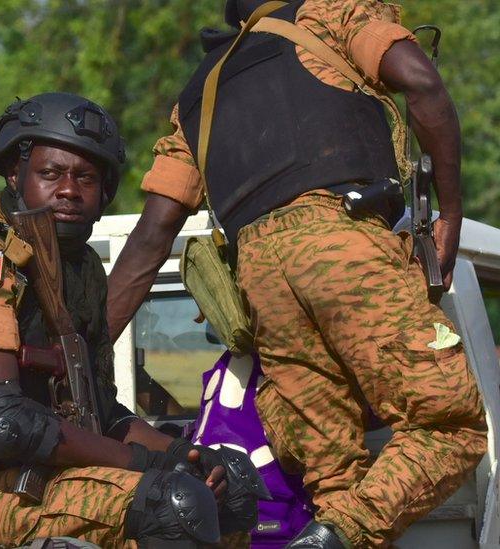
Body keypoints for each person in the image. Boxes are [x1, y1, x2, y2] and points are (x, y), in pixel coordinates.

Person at [105, 1, 487, 546]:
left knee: (335, 479)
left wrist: (85, 352)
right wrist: (450, 213)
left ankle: (332, 531)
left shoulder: (199, 94)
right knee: (451, 426)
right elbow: (420, 80)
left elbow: (151, 236)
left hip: (262, 282)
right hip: (342, 241)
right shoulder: (328, 16)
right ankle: (338, 534)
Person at [0, 92, 267, 548]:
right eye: (50, 173)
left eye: (86, 178)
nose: (68, 191)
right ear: (15, 175)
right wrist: (151, 466)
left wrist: (185, 454)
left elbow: (102, 414)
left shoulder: (81, 271)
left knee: (229, 489)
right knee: (171, 504)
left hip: (41, 476)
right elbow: (5, 425)